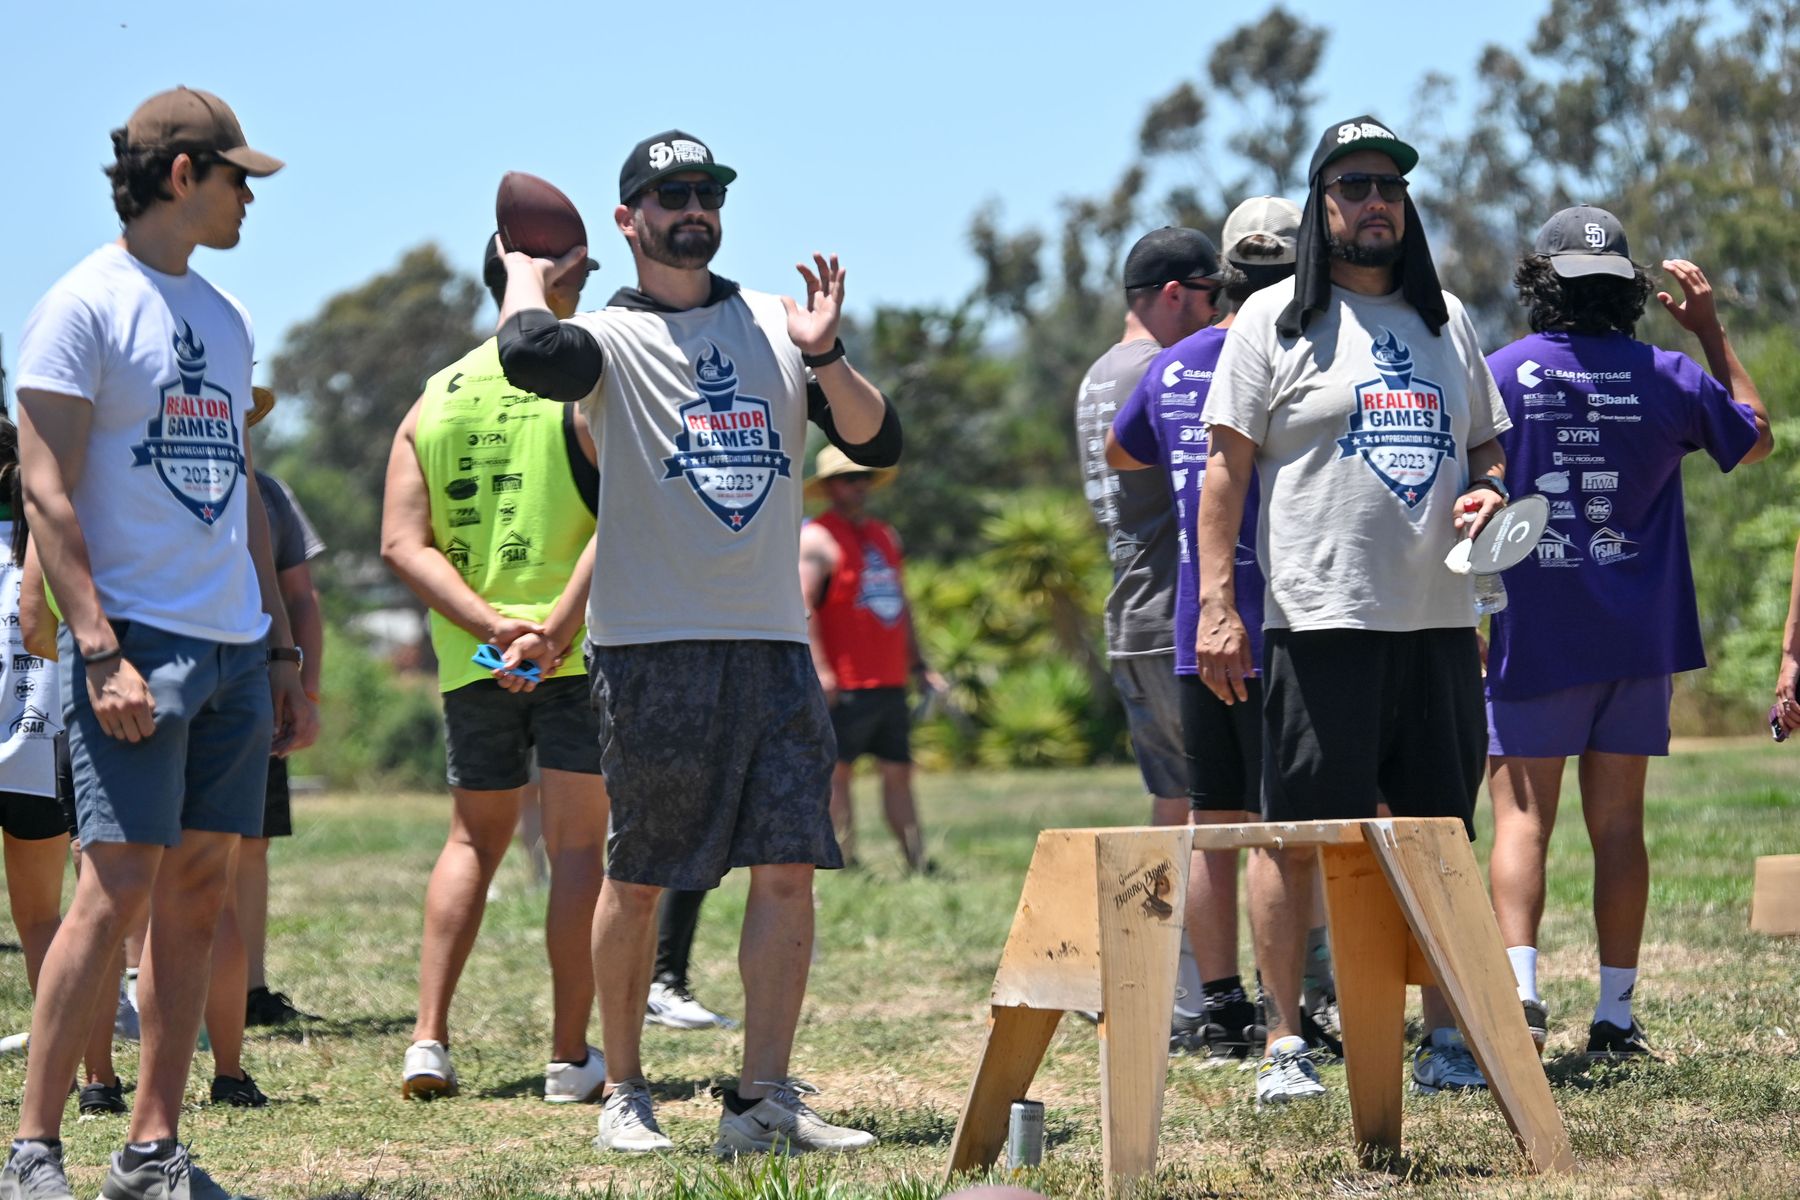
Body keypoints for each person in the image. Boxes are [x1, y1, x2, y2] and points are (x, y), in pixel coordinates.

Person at [495, 128, 898, 1156]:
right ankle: (625, 1091)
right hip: (653, 645)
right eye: (670, 195)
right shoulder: (607, 339)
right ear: (628, 219)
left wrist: (824, 352)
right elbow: (528, 354)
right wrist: (525, 271)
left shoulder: (774, 321)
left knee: (788, 869)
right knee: (640, 877)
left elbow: (877, 438)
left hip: (773, 642)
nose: (693, 210)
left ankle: (762, 1100)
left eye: (706, 193)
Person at [5, 85, 316, 1200]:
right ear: (183, 175)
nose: (248, 199)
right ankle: (32, 1152)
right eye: (238, 178)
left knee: (196, 898)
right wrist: (97, 647)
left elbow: (239, 496)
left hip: (232, 645)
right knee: (111, 893)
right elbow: (43, 489)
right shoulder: (80, 306)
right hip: (133, 644)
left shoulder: (226, 317)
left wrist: (279, 651)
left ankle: (151, 1150)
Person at [1194, 116, 1511, 1105]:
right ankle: (1286, 1044)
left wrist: (1490, 492)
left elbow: (1488, 447)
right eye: (1355, 186)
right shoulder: (1273, 320)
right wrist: (1216, 603)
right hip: (1320, 621)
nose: (1376, 201)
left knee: (1439, 838)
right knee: (1295, 838)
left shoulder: (1447, 318)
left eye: (1390, 186)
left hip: (1438, 623)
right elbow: (1223, 470)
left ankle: (1447, 1038)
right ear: (1321, 206)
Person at [1484, 207, 1771, 1058]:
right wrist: (1711, 331)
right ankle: (1614, 1015)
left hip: (1534, 635)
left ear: (1543, 283)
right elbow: (1755, 439)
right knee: (1619, 827)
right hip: (1638, 643)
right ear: (1628, 291)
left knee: (1522, 821)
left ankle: (1521, 997)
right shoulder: (1667, 375)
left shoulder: (1500, 373)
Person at [380, 234, 608, 1104]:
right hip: (574, 650)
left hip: (472, 657)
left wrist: (489, 626)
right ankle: (568, 1057)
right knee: (577, 847)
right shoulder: (586, 385)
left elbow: (402, 544)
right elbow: (622, 518)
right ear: (556, 277)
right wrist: (550, 632)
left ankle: (428, 1041)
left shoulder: (433, 396)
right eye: (584, 269)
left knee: (472, 840)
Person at [1105, 198, 1304, 1056]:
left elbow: (1122, 451)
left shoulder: (1174, 366)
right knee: (1277, 826)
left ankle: (1221, 1004)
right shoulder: (1303, 354)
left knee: (1212, 821)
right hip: (1289, 623)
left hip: (1200, 621)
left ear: (1223, 279)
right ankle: (1290, 1008)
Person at [1073, 226, 1222, 1044]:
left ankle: (1168, 996)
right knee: (1212, 812)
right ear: (1173, 294)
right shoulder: (1162, 372)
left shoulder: (1101, 373)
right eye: (1211, 295)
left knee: (1174, 806)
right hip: (1177, 611)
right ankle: (1189, 998)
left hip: (1131, 610)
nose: (1219, 314)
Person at [800, 446, 946, 873]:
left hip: (889, 679)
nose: (859, 486)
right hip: (845, 683)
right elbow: (803, 604)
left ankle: (917, 862)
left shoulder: (885, 535)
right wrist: (821, 670)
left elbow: (902, 603)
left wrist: (919, 665)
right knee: (838, 773)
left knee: (898, 771)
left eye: (864, 477)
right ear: (830, 487)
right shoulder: (816, 539)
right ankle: (845, 863)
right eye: (849, 479)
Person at [242, 453, 327, 1028]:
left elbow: (300, 597)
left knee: (253, 841)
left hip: (259, 684)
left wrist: (306, 690)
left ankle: (250, 990)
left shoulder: (270, 494)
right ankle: (138, 982)